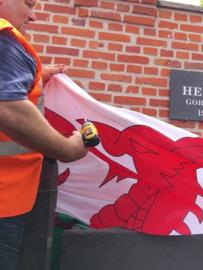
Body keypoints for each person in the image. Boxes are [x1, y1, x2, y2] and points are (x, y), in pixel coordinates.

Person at [0, 0, 89, 269]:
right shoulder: (4, 39)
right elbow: (8, 108)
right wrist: (67, 149)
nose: (34, 16)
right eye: (28, 3)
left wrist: (34, 78)